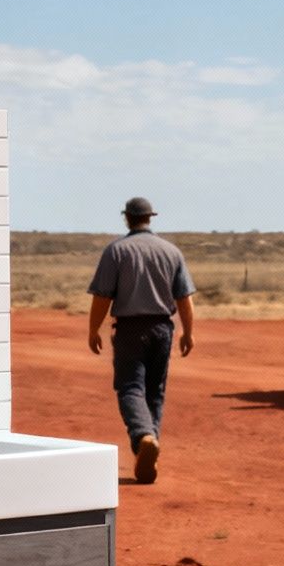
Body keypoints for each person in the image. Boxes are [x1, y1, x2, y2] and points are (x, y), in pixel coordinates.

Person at [86, 196, 195, 484]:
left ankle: (143, 438)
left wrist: (93, 329)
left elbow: (102, 296)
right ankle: (148, 448)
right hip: (162, 329)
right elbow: (184, 298)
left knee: (130, 388)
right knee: (154, 392)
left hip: (130, 330)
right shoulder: (171, 252)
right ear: (150, 218)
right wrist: (189, 332)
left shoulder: (116, 251)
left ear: (127, 218)